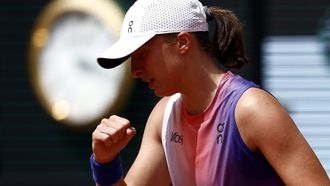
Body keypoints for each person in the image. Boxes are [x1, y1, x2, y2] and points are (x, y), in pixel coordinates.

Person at [90, 0, 330, 185]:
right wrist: (105, 161)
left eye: (142, 54)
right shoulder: (163, 116)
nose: (135, 70)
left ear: (183, 42)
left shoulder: (252, 110)